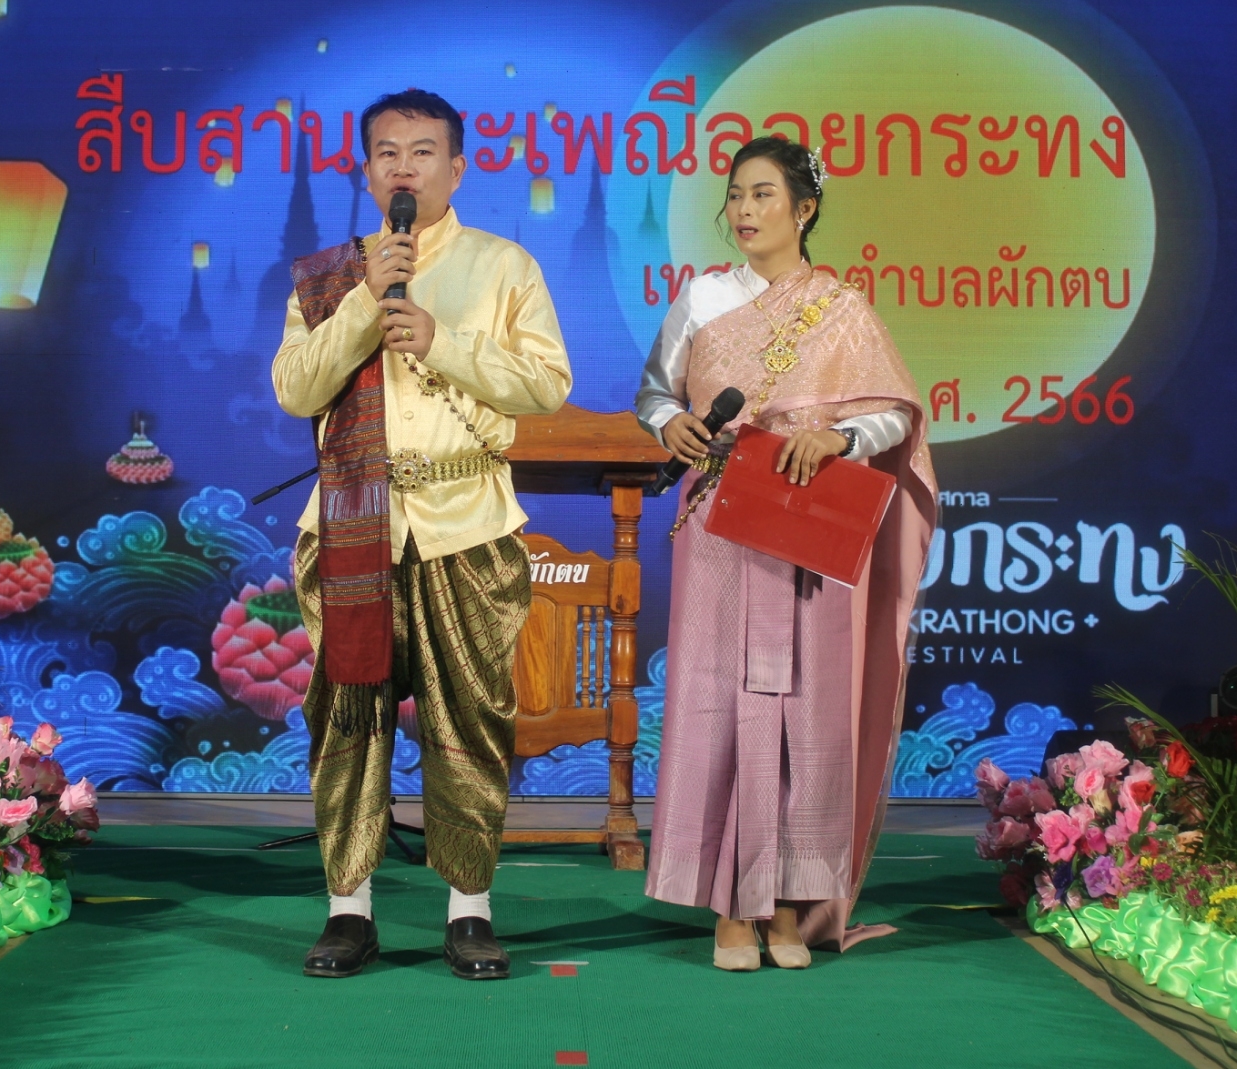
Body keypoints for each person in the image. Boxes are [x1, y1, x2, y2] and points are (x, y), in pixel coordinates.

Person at [271, 88, 572, 980]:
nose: (404, 168)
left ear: (457, 167)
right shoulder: (331, 276)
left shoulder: (503, 265)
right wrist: (364, 305)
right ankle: (349, 910)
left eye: (423, 152)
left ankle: (470, 909)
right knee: (348, 720)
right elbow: (295, 387)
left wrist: (441, 339)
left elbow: (548, 384)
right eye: (388, 153)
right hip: (350, 524)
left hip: (466, 525)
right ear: (367, 171)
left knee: (469, 719)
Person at [636, 134, 937, 971]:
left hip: (808, 524)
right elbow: (654, 392)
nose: (744, 210)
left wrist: (838, 435)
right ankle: (732, 907)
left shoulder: (841, 308)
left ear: (805, 209)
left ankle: (791, 907)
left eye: (763, 194)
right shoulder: (701, 299)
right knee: (720, 703)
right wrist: (672, 423)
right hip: (722, 522)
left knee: (808, 710)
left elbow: (895, 414)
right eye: (735, 195)